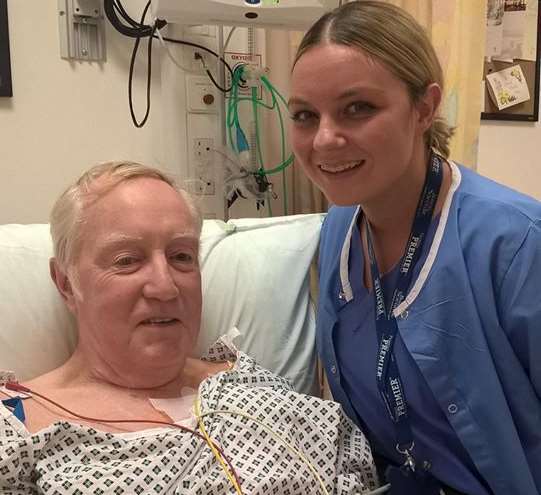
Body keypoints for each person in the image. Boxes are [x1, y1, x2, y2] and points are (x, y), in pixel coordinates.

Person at [0, 161, 379, 494]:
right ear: (66, 283)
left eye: (181, 256)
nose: (165, 287)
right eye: (127, 260)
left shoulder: (249, 384)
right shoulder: (20, 427)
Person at [288, 2, 541, 495]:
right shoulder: (340, 230)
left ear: (424, 108)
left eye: (357, 108)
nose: (324, 139)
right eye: (304, 115)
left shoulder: (516, 245)